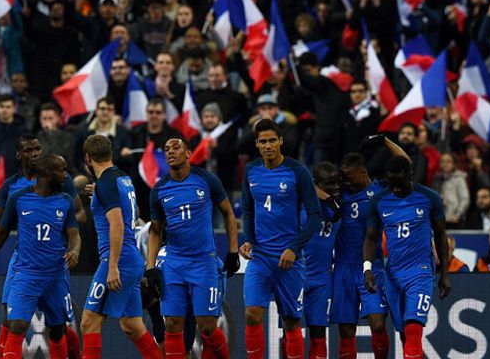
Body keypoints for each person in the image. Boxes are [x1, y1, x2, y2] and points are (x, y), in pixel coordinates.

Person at [0, 135, 84, 359]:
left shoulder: (64, 194)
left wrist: (70, 246)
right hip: (25, 265)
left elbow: (77, 222)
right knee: (13, 323)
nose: (34, 154)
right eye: (29, 150)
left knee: (59, 329)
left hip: (55, 266)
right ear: (19, 155)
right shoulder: (15, 191)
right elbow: (0, 230)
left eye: (37, 149)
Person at [145, 137, 240, 358]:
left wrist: (233, 251)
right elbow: (155, 231)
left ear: (188, 153)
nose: (170, 152)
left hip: (203, 262)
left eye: (176, 148)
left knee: (206, 325)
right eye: (166, 149)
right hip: (174, 264)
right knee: (172, 324)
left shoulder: (207, 180)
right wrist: (151, 269)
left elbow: (228, 212)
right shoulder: (159, 190)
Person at [239, 118, 322, 359]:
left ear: (281, 141)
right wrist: (248, 240)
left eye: (272, 140)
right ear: (256, 144)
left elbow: (315, 216)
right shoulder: (251, 171)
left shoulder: (298, 171)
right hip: (260, 258)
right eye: (263, 141)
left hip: (290, 260)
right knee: (251, 314)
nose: (268, 145)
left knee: (292, 322)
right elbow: (248, 210)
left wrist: (294, 248)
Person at [79, 135, 162, 359]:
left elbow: (117, 224)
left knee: (89, 323)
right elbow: (124, 211)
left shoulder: (106, 184)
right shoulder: (122, 178)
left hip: (118, 261)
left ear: (88, 158)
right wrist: (98, 192)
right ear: (110, 154)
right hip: (133, 259)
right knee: (132, 325)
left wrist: (113, 265)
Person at [363, 156, 451, 359]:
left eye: (399, 182)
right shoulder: (379, 201)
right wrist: (367, 268)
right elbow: (370, 237)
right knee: (404, 333)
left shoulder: (430, 198)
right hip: (392, 273)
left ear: (410, 175)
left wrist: (444, 274)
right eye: (391, 183)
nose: (395, 188)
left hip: (420, 272)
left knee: (413, 329)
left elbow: (440, 235)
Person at [333, 136, 409, 359]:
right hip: (343, 267)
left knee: (377, 324)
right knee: (346, 330)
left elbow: (405, 164)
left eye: (349, 177)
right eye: (342, 177)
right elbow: (309, 184)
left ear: (363, 172)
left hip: (371, 266)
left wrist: (385, 141)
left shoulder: (381, 191)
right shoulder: (340, 194)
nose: (345, 182)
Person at [301, 162, 342, 359]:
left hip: (322, 278)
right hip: (297, 275)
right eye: (329, 184)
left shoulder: (341, 206)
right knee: (292, 331)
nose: (335, 188)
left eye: (337, 183)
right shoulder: (300, 201)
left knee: (318, 334)